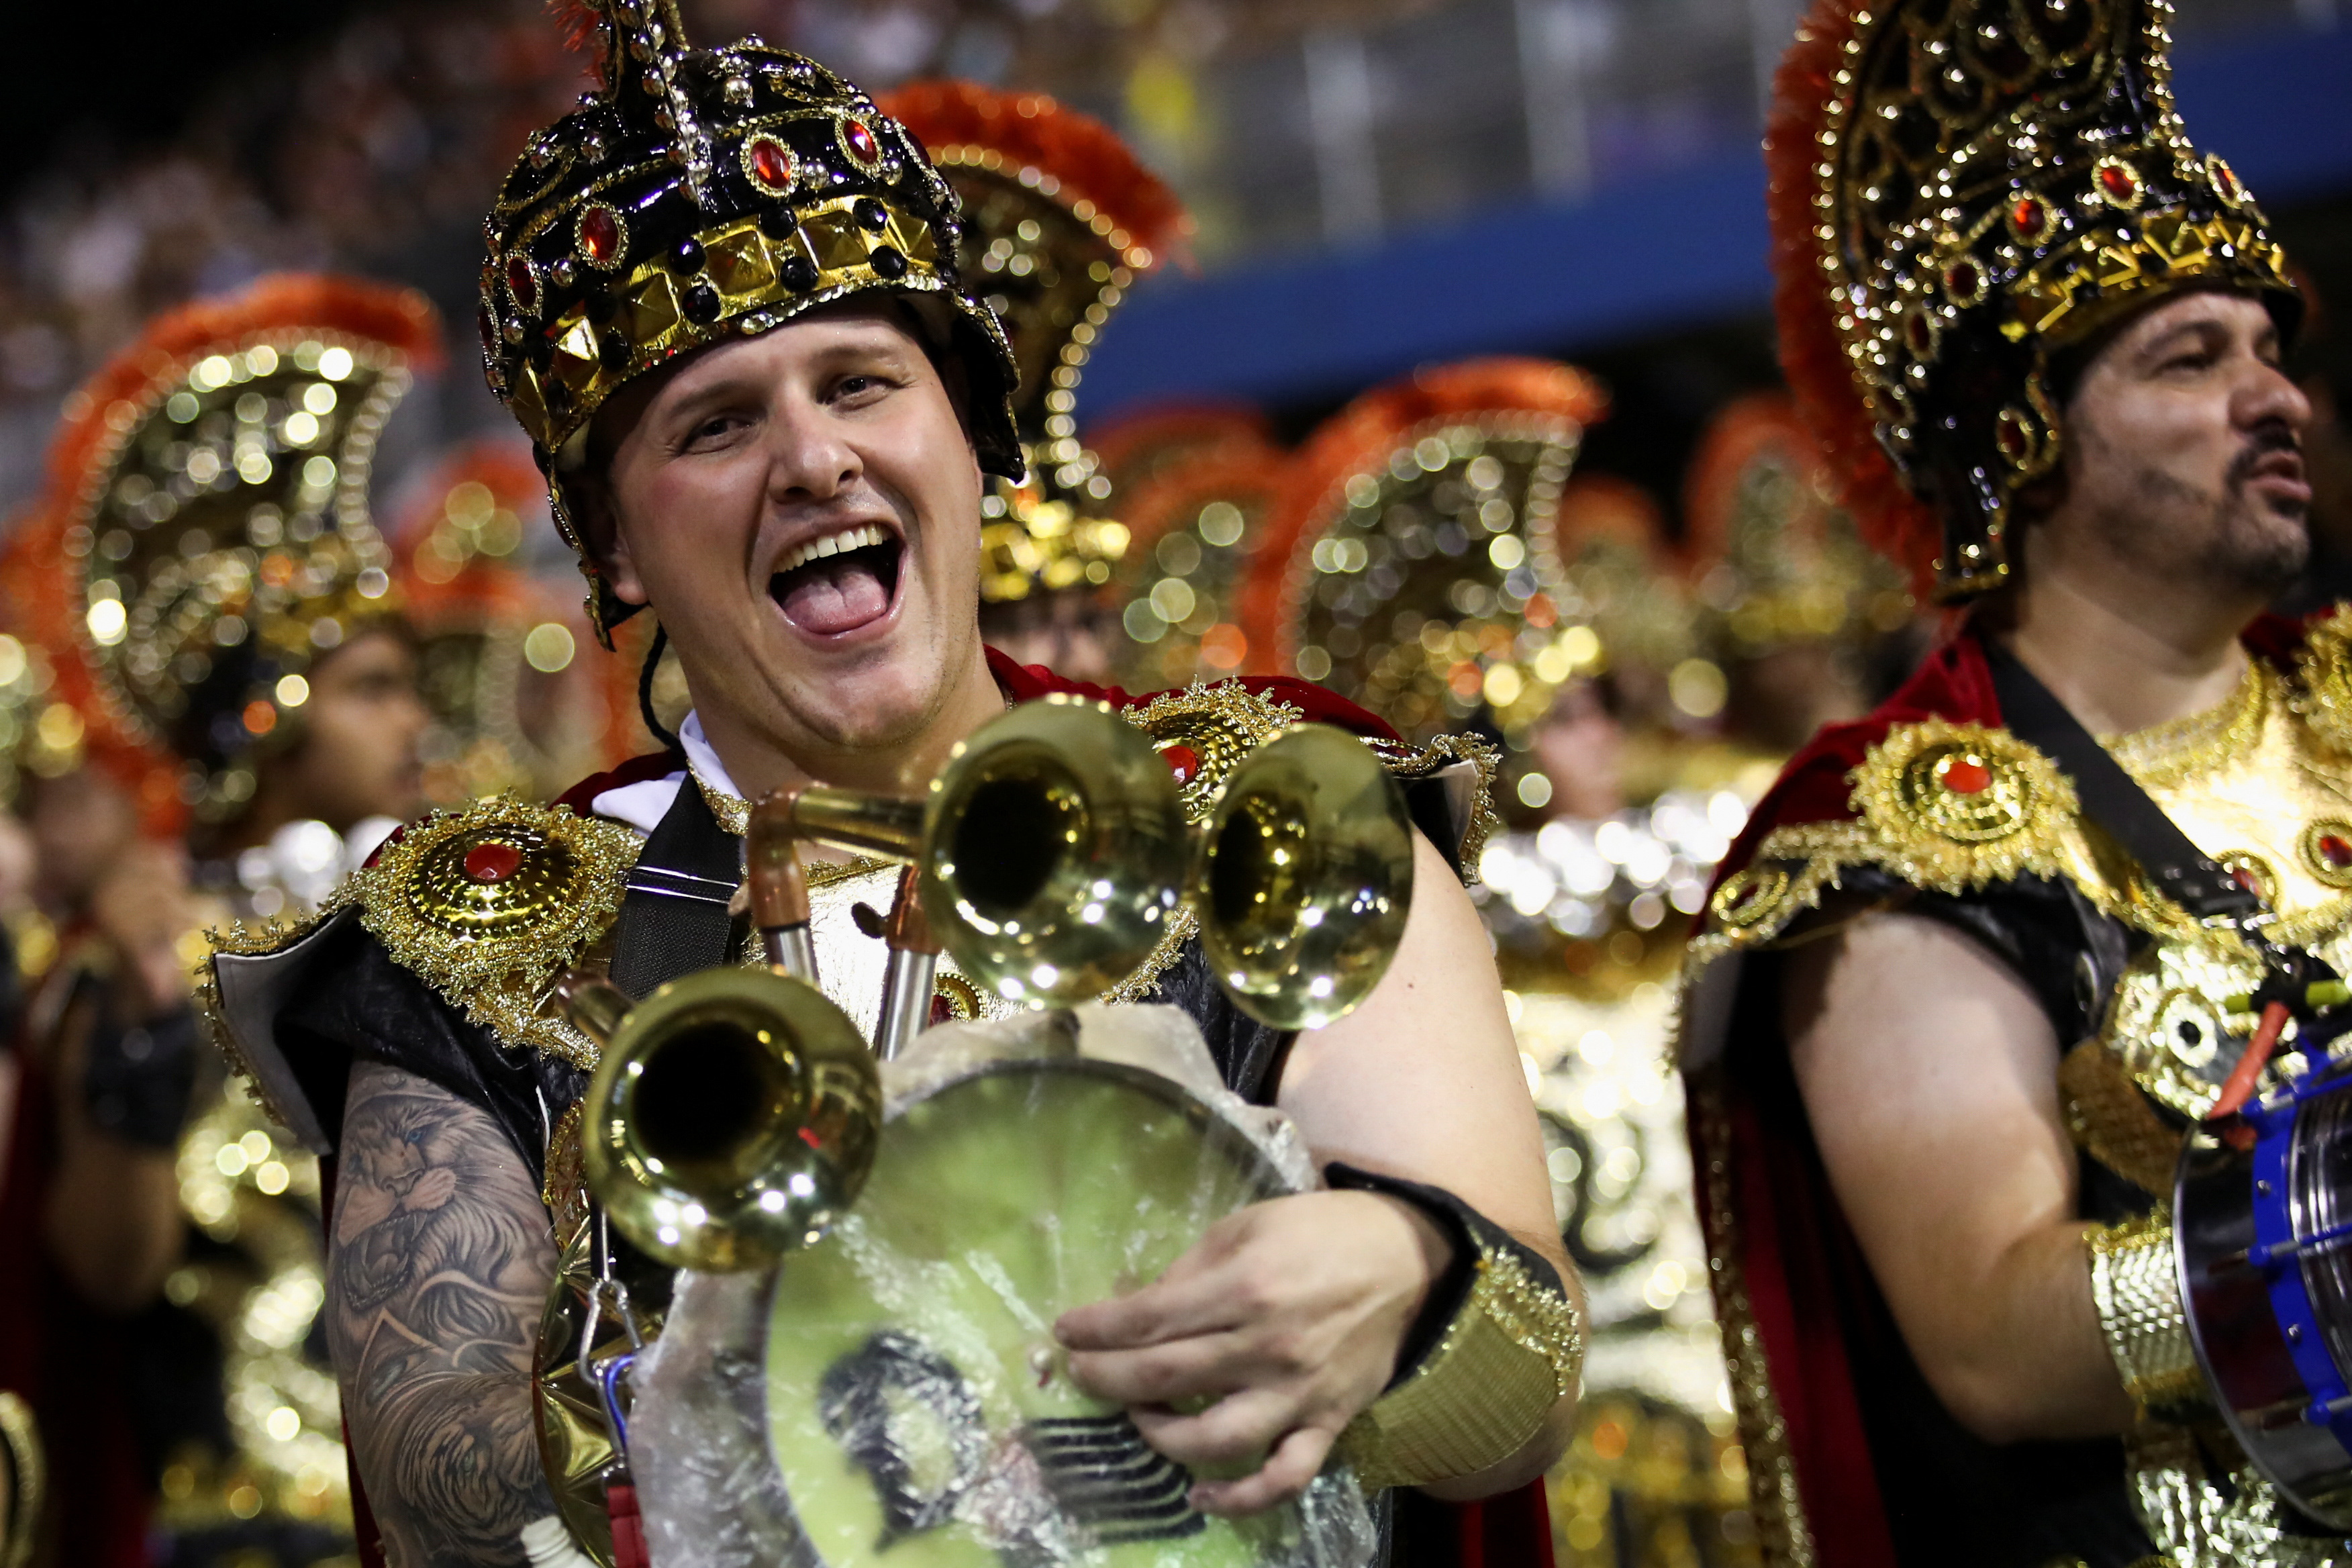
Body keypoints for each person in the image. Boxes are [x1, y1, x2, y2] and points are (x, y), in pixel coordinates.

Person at [202, 10, 1581, 1568]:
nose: (812, 460)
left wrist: (1404, 1271)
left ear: (969, 435)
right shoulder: (484, 939)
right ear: (617, 550)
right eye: (715, 425)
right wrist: (723, 1379)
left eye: (860, 384)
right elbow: (431, 1481)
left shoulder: (1265, 811)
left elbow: (1518, 1396)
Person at [1679, 0, 2324, 1563]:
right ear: (2027, 437)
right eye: (2192, 356)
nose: (2276, 395)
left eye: (2270, 349)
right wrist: (2330, 1247)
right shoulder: (1905, 844)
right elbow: (1997, 1336)